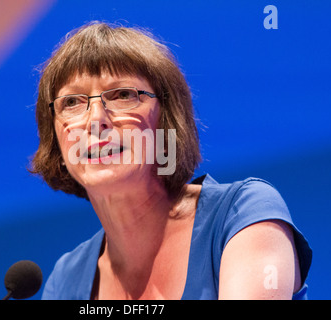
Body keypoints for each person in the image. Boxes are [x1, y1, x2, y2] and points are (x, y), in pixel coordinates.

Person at [30, 22, 312, 300]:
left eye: (124, 95)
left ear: (166, 122)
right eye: (72, 102)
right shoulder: (66, 280)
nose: (95, 120)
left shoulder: (241, 214)